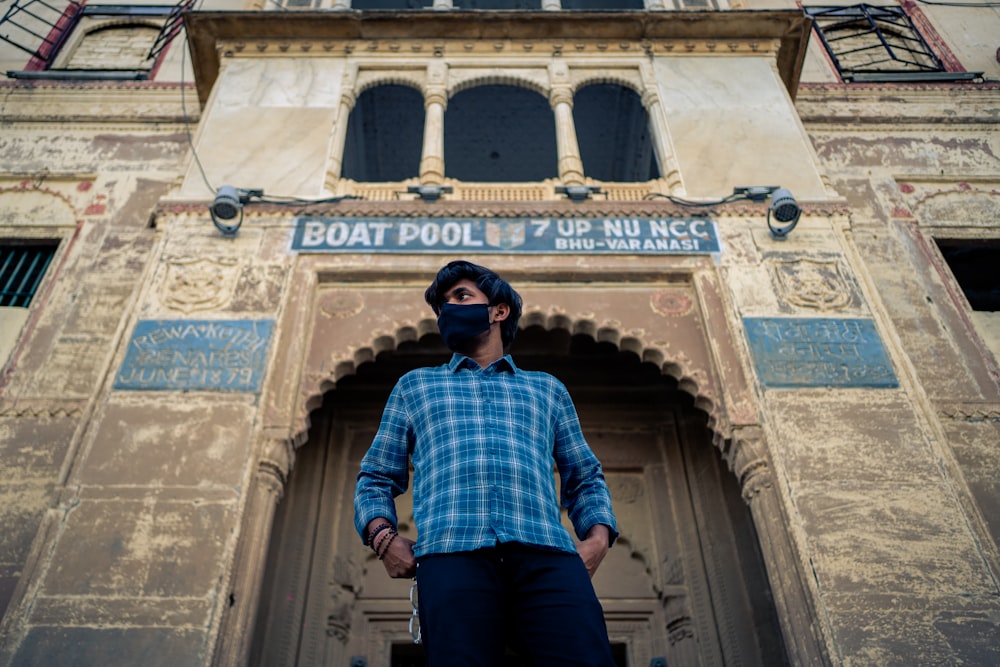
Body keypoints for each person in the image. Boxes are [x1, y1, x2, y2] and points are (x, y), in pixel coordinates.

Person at [354, 260, 618, 667]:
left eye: (462, 297)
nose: (450, 309)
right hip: (452, 556)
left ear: (499, 310)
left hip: (547, 557)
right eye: (443, 305)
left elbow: (584, 476)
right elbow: (375, 477)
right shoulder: (417, 386)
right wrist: (383, 538)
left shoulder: (546, 389)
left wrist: (598, 540)